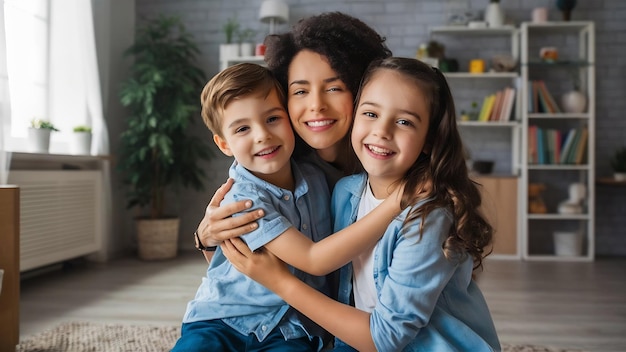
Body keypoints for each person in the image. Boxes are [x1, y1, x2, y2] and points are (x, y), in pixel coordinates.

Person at [221, 57, 501, 352]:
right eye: (370, 113)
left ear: (429, 140)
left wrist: (279, 281)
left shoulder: (427, 218)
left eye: (404, 122)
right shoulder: (346, 193)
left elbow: (386, 339)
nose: (382, 131)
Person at [172, 63, 400, 351]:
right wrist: (396, 203)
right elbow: (313, 259)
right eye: (242, 128)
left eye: (272, 119)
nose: (262, 135)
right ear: (224, 144)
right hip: (224, 318)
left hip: (294, 328)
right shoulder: (243, 198)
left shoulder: (317, 177)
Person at [195, 12, 392, 251]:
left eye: (334, 88)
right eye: (300, 91)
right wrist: (206, 240)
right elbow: (233, 270)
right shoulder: (279, 164)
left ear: (361, 88)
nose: (316, 105)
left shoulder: (390, 157)